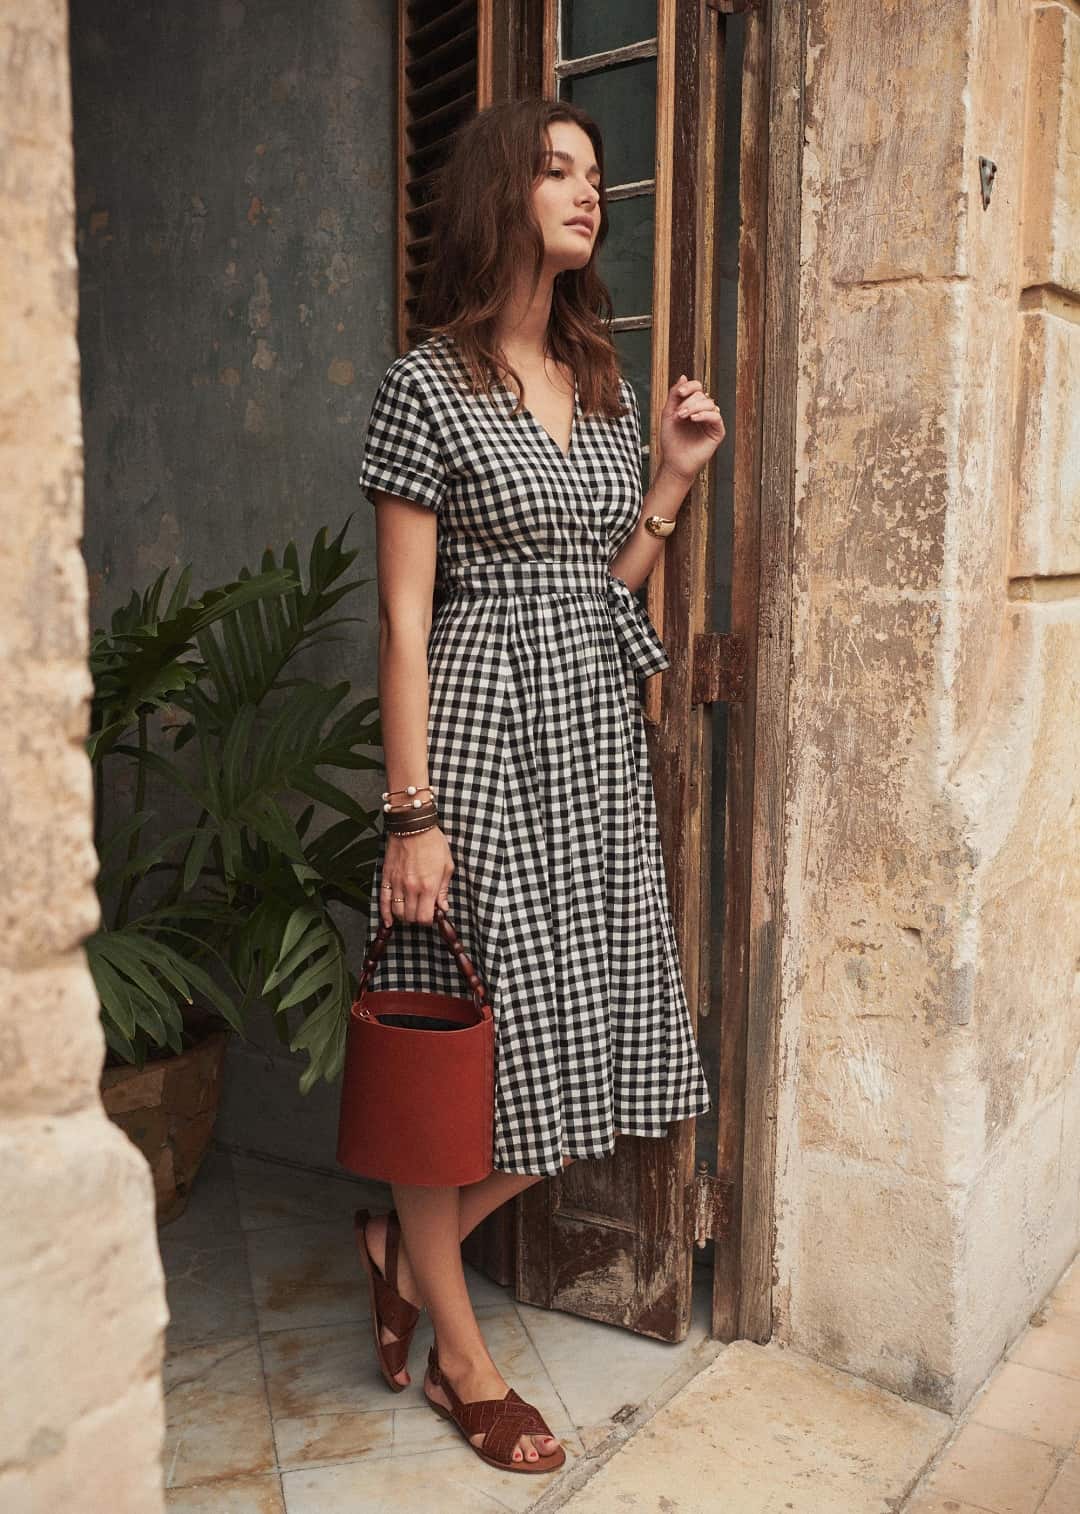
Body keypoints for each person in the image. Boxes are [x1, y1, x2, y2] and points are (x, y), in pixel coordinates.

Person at [352, 96, 725, 1475]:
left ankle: (401, 1242)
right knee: (472, 1041)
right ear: (502, 189)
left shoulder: (604, 381)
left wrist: (670, 484)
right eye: (559, 170)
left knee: (576, 1058)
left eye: (597, 176)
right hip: (475, 740)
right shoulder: (426, 384)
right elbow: (404, 621)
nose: (588, 193)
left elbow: (596, 591)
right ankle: (463, 1359)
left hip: (587, 745)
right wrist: (413, 813)